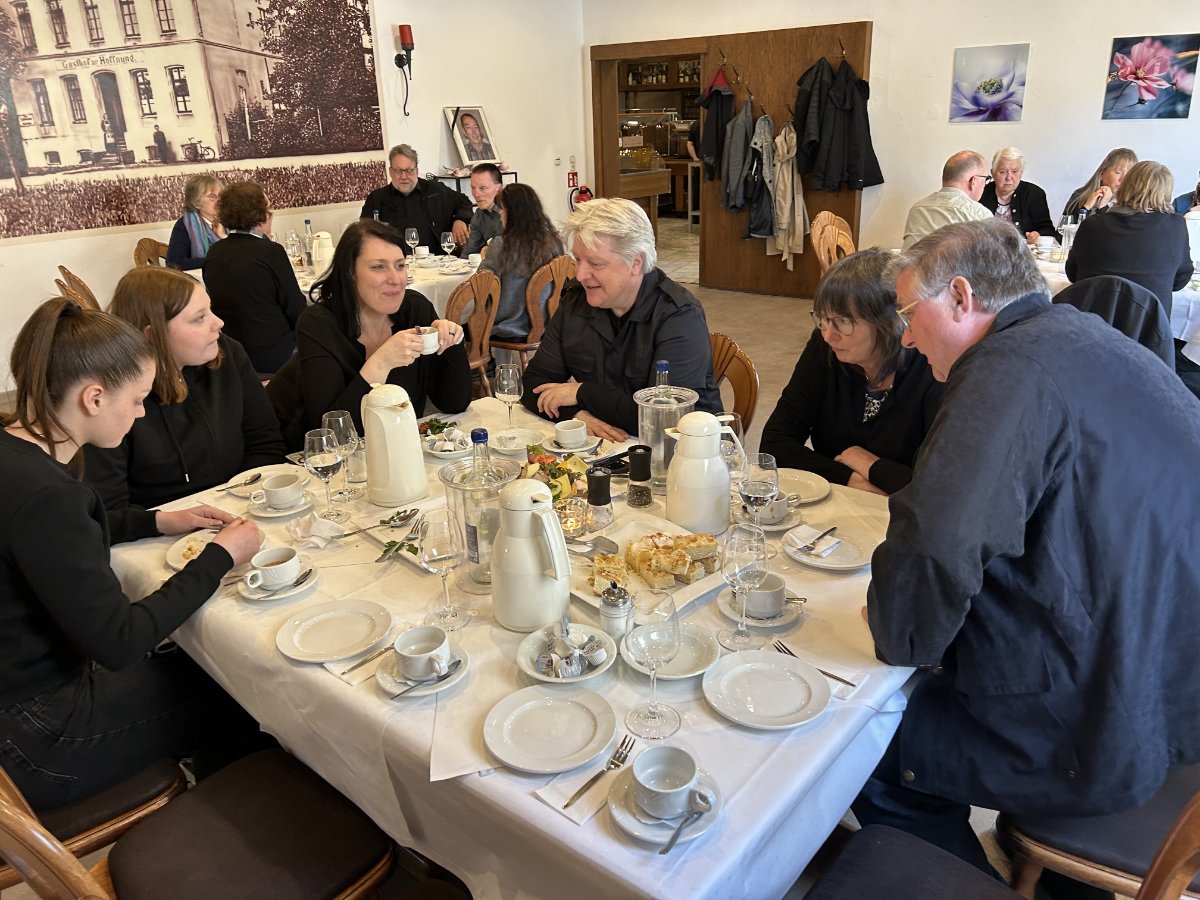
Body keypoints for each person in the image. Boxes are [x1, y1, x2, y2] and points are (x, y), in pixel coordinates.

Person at [851, 218, 1200, 881]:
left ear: (960, 297)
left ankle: (972, 887)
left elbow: (937, 540)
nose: (905, 335)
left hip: (1110, 713)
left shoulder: (1005, 369)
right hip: (1173, 679)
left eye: (907, 312)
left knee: (867, 742)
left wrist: (899, 630)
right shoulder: (1084, 335)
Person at [0, 297, 264, 810]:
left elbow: (63, 541)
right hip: (35, 738)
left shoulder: (18, 456)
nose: (142, 413)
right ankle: (234, 823)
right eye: (139, 399)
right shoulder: (49, 496)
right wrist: (220, 558)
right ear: (94, 398)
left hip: (21, 701)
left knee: (187, 659)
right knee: (232, 681)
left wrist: (157, 520)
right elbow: (119, 642)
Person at [84, 267, 286, 535]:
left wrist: (235, 503)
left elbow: (265, 441)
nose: (218, 323)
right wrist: (164, 521)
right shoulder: (116, 397)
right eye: (199, 318)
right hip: (160, 533)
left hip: (243, 510)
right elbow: (104, 512)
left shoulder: (227, 354)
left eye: (210, 310)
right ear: (152, 335)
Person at [520, 197, 721, 441]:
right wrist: (575, 414)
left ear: (635, 262)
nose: (580, 274)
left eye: (595, 263)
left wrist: (582, 393)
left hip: (686, 451)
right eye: (578, 260)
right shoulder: (575, 301)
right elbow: (532, 384)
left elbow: (663, 418)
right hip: (610, 446)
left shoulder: (679, 316)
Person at [267, 220, 471, 448]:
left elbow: (454, 403)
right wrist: (381, 363)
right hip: (307, 455)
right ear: (349, 272)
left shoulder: (415, 309)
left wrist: (453, 341)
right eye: (378, 267)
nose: (395, 279)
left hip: (391, 449)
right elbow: (333, 435)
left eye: (400, 266)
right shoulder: (318, 324)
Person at [760, 249, 942, 495]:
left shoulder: (932, 369)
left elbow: (935, 488)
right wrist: (850, 479)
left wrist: (869, 464)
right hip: (839, 504)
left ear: (888, 323)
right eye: (823, 319)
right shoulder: (825, 349)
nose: (828, 334)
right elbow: (773, 446)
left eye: (843, 322)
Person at [202, 181, 305, 375]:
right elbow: (295, 307)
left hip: (232, 353)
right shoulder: (271, 251)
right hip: (274, 353)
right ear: (261, 215)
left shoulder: (214, 252)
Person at [1065, 160, 1193, 316]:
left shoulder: (1091, 225)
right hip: (1146, 325)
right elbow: (1180, 280)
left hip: (1090, 323)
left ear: (1126, 186)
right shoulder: (1175, 226)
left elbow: (1072, 274)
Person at [480, 184, 564, 340]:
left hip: (507, 326)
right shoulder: (554, 242)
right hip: (549, 324)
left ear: (513, 213)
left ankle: (483, 355)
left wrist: (487, 255)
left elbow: (482, 287)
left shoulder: (501, 245)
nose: (500, 215)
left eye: (502, 210)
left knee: (460, 325)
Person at [360, 144, 472, 253]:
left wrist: (460, 220)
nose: (404, 177)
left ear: (417, 171)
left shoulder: (435, 190)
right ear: (390, 172)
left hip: (437, 260)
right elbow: (364, 232)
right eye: (398, 171)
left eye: (409, 170)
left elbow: (464, 202)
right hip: (394, 261)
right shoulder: (376, 199)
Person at [901, 150, 992, 249]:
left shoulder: (917, 209)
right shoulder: (980, 215)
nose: (985, 185)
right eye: (986, 179)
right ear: (973, 181)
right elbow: (991, 257)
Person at [978, 146, 1058, 243]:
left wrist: (1037, 234)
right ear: (993, 173)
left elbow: (1048, 230)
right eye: (1002, 172)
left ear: (1021, 172)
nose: (1009, 177)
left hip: (1023, 249)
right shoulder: (981, 192)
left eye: (1014, 172)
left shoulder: (1034, 194)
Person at [166, 174, 225, 270]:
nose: (219, 201)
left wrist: (223, 236)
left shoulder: (229, 221)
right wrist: (213, 261)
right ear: (196, 202)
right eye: (212, 196)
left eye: (220, 196)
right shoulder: (185, 225)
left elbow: (240, 254)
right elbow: (174, 263)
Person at [1061, 147, 1137, 218]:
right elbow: (1065, 226)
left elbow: (1111, 227)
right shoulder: (1079, 196)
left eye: (1129, 174)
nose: (1123, 179)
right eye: (1118, 172)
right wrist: (1086, 208)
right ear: (1102, 173)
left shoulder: (1134, 206)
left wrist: (1102, 208)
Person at [464, 163, 503, 256]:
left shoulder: (513, 212)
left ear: (499, 187)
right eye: (473, 188)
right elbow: (470, 252)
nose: (476, 194)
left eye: (482, 188)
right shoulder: (479, 214)